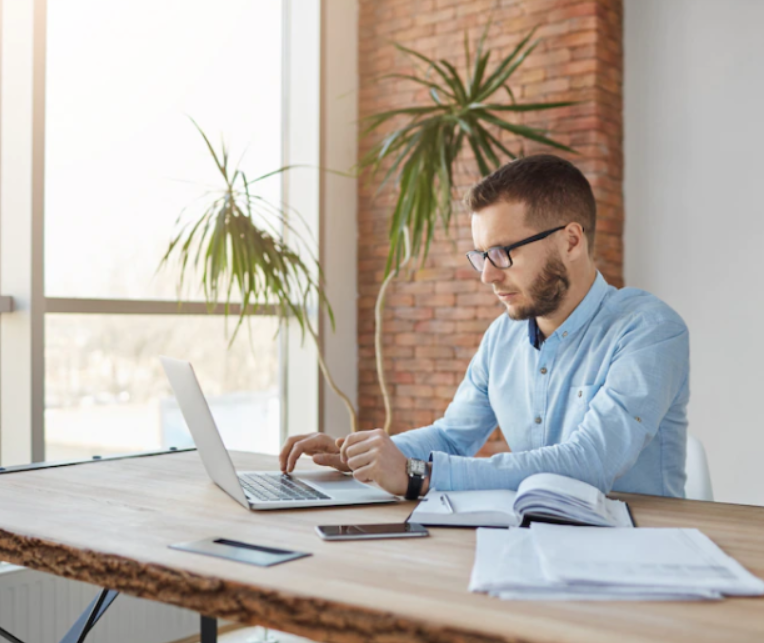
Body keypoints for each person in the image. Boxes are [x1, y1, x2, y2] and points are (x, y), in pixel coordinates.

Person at [279, 154, 690, 500]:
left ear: (570, 241)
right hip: (533, 543)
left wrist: (419, 475)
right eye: (481, 256)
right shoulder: (503, 338)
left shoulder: (649, 330)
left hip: (638, 554)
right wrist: (357, 453)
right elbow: (453, 437)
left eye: (502, 252)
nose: (487, 276)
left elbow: (590, 463)